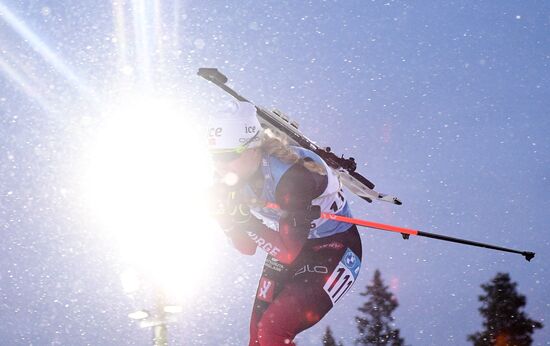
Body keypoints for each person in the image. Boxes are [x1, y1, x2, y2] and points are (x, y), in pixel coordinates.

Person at [208, 100, 362, 346]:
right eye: (215, 157)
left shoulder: (293, 177)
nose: (220, 166)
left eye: (227, 156)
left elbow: (289, 253)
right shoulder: (227, 179)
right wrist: (226, 219)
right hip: (288, 242)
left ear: (253, 148)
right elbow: (247, 247)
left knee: (273, 329)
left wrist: (243, 219)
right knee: (257, 337)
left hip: (335, 249)